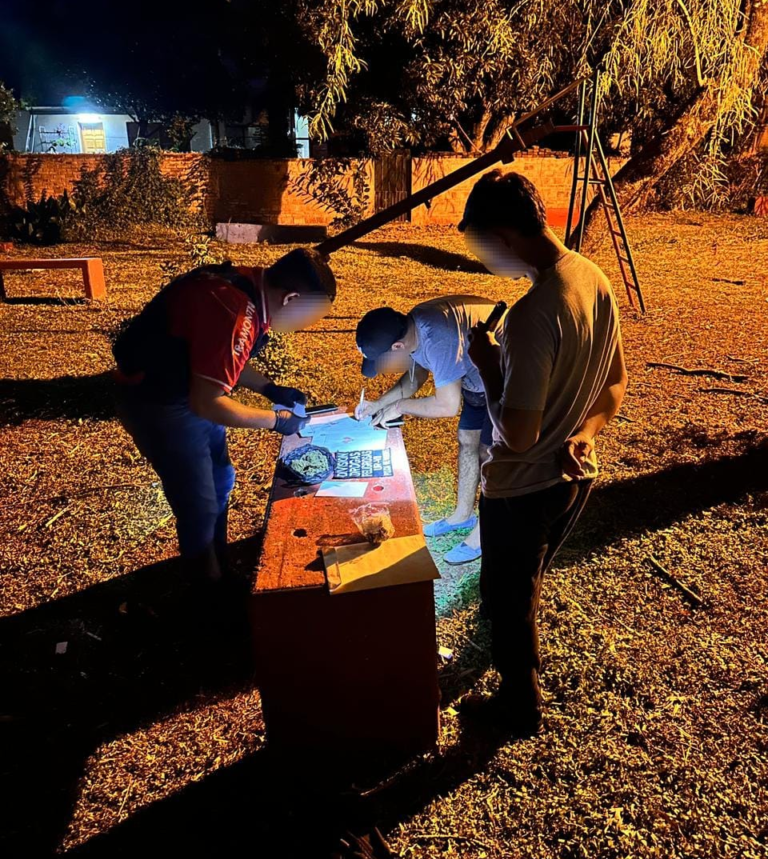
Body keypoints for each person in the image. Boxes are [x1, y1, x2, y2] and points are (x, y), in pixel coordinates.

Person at [460, 170, 628, 735]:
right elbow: (615, 383)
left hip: (521, 489)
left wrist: (488, 368)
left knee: (512, 601)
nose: (484, 261)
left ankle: (520, 705)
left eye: (482, 249)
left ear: (504, 238)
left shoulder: (531, 317)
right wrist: (588, 432)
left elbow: (518, 436)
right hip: (573, 480)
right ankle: (510, 666)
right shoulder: (592, 277)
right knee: (516, 588)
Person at [112, 249, 336, 598]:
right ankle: (208, 590)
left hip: (184, 390)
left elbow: (221, 354)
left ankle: (218, 560)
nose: (305, 325)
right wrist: (277, 421)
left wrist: (269, 388)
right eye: (310, 316)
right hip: (158, 402)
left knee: (220, 478)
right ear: (291, 298)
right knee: (198, 504)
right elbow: (208, 403)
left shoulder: (246, 284)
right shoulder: (235, 311)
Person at [354, 296, 505, 564]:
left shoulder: (438, 339)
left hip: (504, 377)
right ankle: (462, 516)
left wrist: (399, 407)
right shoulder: (412, 326)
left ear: (397, 346)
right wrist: (379, 404)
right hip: (476, 378)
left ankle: (484, 534)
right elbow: (417, 377)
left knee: (490, 456)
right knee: (467, 440)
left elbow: (447, 405)